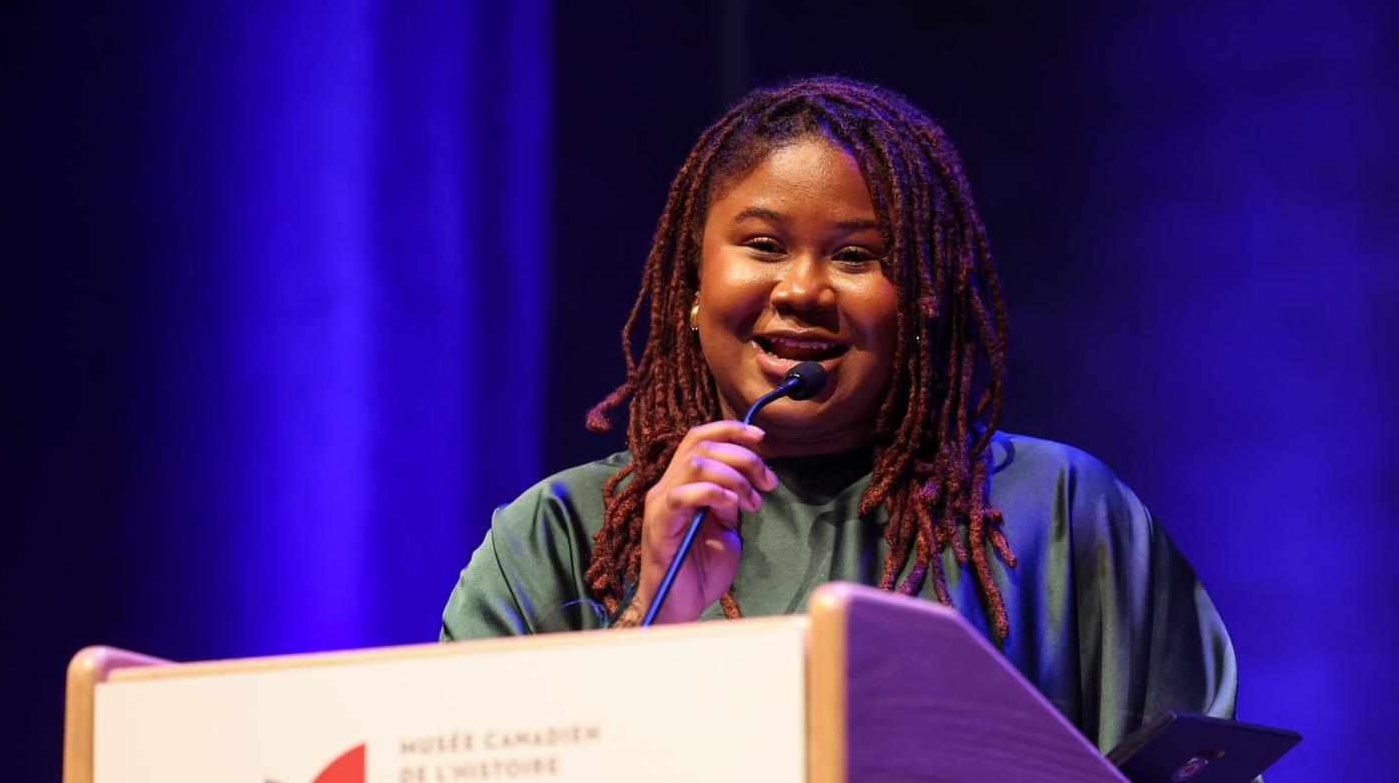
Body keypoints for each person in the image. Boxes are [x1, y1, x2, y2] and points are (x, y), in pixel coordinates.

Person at [439, 76, 1239, 752]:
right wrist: (653, 611)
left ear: (921, 301)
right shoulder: (557, 534)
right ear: (691, 283)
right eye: (762, 244)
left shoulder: (1060, 514)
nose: (802, 289)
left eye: (857, 255)